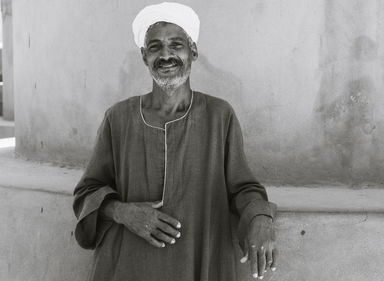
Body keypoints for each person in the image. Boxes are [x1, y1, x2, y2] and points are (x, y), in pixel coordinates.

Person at [72, 2, 278, 280]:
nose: (166, 55)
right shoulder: (118, 118)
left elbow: (243, 188)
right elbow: (87, 192)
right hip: (127, 265)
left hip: (199, 262)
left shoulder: (219, 116)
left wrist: (261, 218)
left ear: (192, 51)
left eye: (176, 45)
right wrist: (123, 212)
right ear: (144, 56)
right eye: (155, 47)